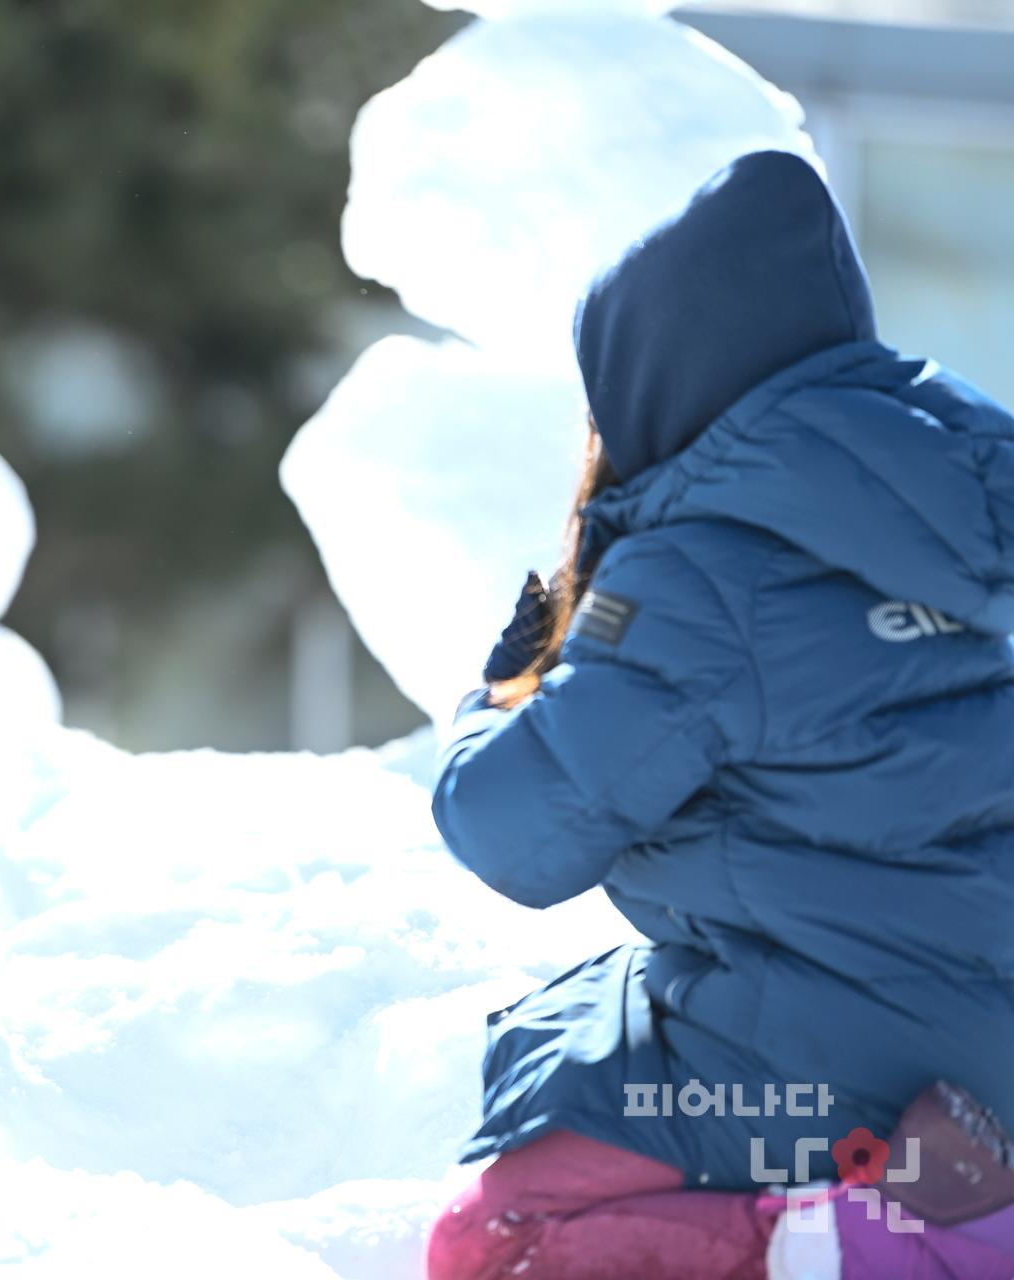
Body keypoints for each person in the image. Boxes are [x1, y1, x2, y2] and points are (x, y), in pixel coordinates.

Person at [426, 151, 1014, 1278]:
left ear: (658, 385)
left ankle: (860, 1237)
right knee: (580, 1024)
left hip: (859, 1078)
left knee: (494, 1237)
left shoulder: (704, 576)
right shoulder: (931, 531)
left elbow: (516, 832)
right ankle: (934, 1202)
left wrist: (498, 697)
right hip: (975, 1040)